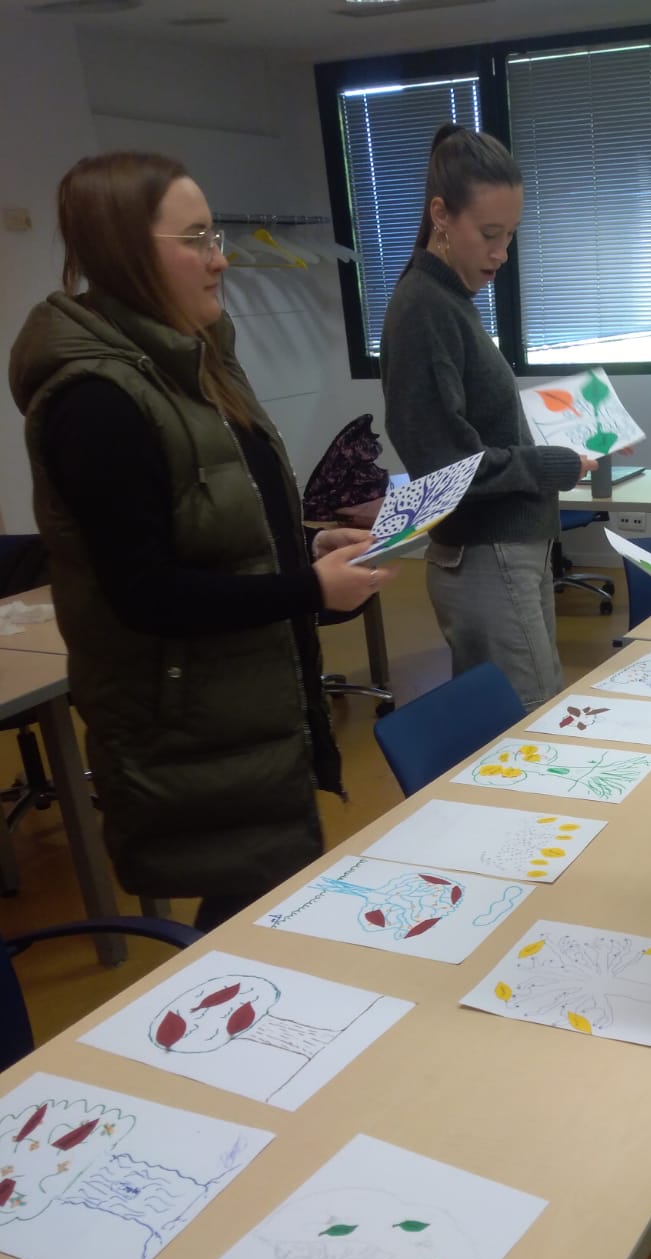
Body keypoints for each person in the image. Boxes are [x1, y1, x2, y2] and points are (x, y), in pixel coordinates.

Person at [9, 151, 390, 932]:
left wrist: (305, 550)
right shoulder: (97, 401)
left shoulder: (200, 359)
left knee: (271, 908)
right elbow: (146, 593)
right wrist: (309, 589)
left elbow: (227, 518)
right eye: (195, 239)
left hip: (249, 703)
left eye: (215, 235)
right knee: (249, 926)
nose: (220, 259)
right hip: (191, 721)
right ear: (125, 251)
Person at [379, 124, 596, 714]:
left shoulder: (451, 301)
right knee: (532, 723)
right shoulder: (423, 308)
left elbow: (480, 426)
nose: (501, 253)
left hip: (510, 546)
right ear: (441, 216)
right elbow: (446, 464)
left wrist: (566, 434)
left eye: (511, 235)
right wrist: (553, 464)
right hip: (487, 551)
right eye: (489, 234)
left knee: (535, 710)